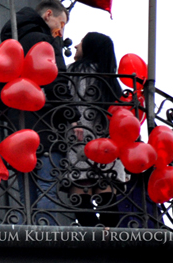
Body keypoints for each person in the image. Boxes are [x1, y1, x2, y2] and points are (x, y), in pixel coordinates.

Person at [0, 0, 71, 224]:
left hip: (16, 125)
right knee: (47, 187)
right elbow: (57, 81)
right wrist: (72, 116)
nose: (62, 30)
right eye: (62, 23)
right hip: (45, 123)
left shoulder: (10, 42)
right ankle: (46, 242)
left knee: (25, 193)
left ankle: (25, 237)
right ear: (48, 15)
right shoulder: (45, 42)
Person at [65, 31, 128, 226]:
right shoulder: (110, 79)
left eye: (81, 42)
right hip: (107, 147)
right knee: (108, 199)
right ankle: (109, 242)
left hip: (80, 144)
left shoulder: (73, 73)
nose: (76, 46)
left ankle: (93, 241)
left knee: (81, 199)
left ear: (90, 47)